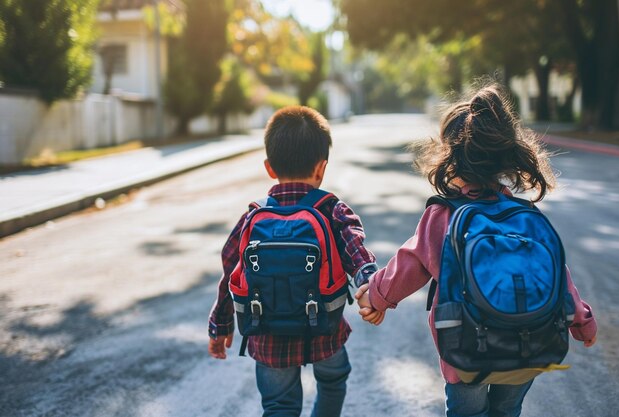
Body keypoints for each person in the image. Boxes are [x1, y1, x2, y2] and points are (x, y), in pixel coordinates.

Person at [356, 84, 597, 417]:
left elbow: (409, 264)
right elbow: (558, 277)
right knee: (507, 411)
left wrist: (376, 298)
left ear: (449, 157)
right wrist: (583, 322)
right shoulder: (526, 218)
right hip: (527, 348)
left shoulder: (444, 215)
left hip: (467, 351)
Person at [208, 105, 378, 417]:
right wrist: (371, 286)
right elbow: (357, 251)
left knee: (279, 407)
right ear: (321, 168)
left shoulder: (253, 215)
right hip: (325, 330)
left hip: (269, 335)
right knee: (333, 381)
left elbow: (230, 270)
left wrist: (221, 324)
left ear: (269, 167)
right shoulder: (331, 210)